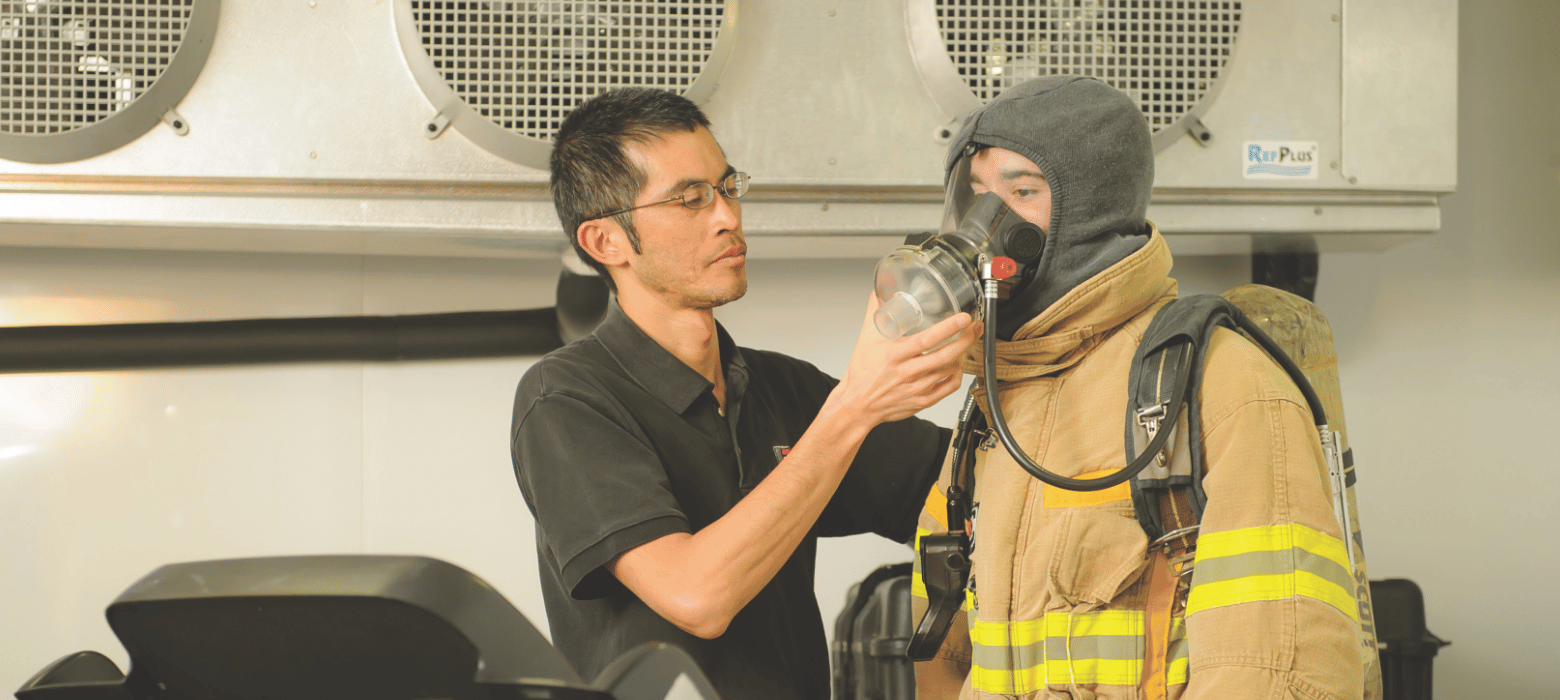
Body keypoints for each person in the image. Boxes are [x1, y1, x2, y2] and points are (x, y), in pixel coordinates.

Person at [509, 87, 983, 700]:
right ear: (605, 242)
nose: (727, 216)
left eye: (728, 188)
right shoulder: (565, 399)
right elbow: (697, 595)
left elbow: (967, 493)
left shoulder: (778, 387)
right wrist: (855, 407)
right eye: (690, 199)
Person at [910, 76, 1365, 699]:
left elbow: (1276, 668)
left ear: (1092, 209)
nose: (987, 223)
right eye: (978, 193)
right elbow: (942, 650)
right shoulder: (990, 403)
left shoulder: (1221, 385)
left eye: (1021, 191)